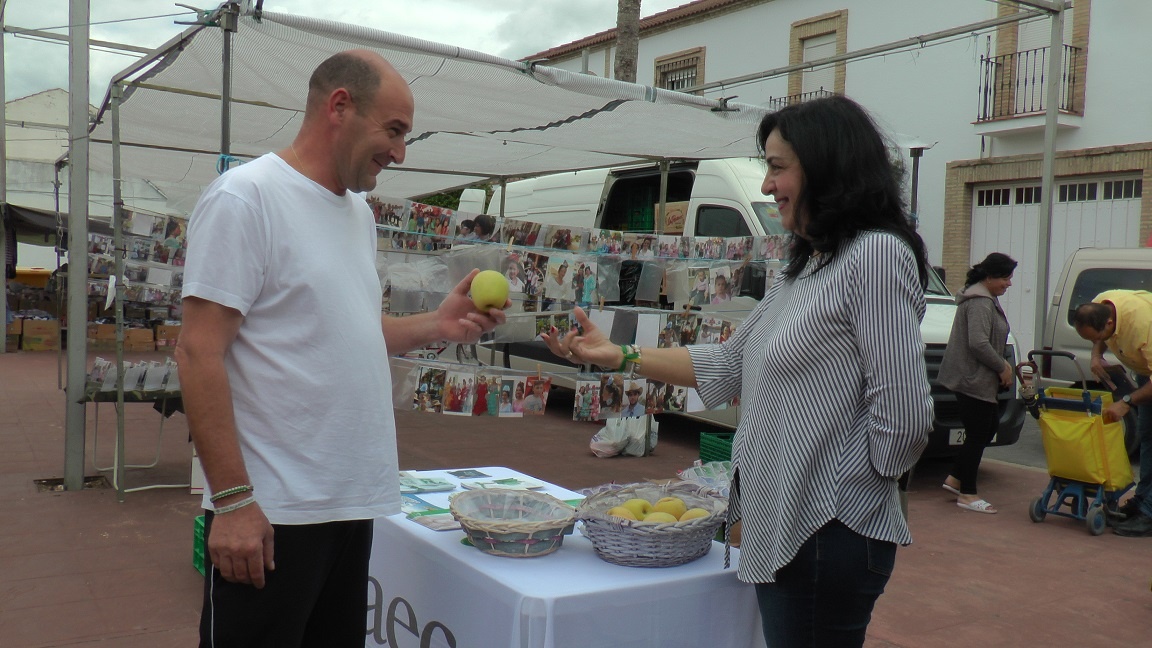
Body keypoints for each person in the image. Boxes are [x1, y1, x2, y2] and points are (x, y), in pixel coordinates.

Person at [543, 95, 933, 647]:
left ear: (829, 167)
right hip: (791, 529)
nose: (767, 185)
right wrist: (619, 356)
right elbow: (726, 366)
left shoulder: (874, 254)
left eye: (778, 167)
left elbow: (906, 414)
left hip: (828, 530)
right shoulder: (806, 265)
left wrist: (850, 495)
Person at [176, 50, 508, 647]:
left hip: (350, 501)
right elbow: (198, 353)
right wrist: (231, 503)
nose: (400, 153)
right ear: (339, 107)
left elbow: (350, 329)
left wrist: (438, 323)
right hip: (273, 514)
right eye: (395, 131)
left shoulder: (357, 212)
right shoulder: (246, 197)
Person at [938, 253, 1018, 514]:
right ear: (989, 277)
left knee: (987, 427)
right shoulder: (980, 303)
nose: (1008, 284)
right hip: (972, 379)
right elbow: (978, 343)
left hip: (976, 378)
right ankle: (968, 494)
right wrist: (1002, 367)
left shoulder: (985, 299)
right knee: (978, 433)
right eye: (1005, 278)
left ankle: (956, 478)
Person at [1072, 290, 1152, 537]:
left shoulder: (1143, 325)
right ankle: (1142, 502)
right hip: (1146, 371)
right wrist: (1096, 355)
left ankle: (1149, 515)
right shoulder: (1102, 303)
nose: (1096, 340)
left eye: (1097, 336)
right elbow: (1100, 338)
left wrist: (1126, 402)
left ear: (1109, 323)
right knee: (1147, 437)